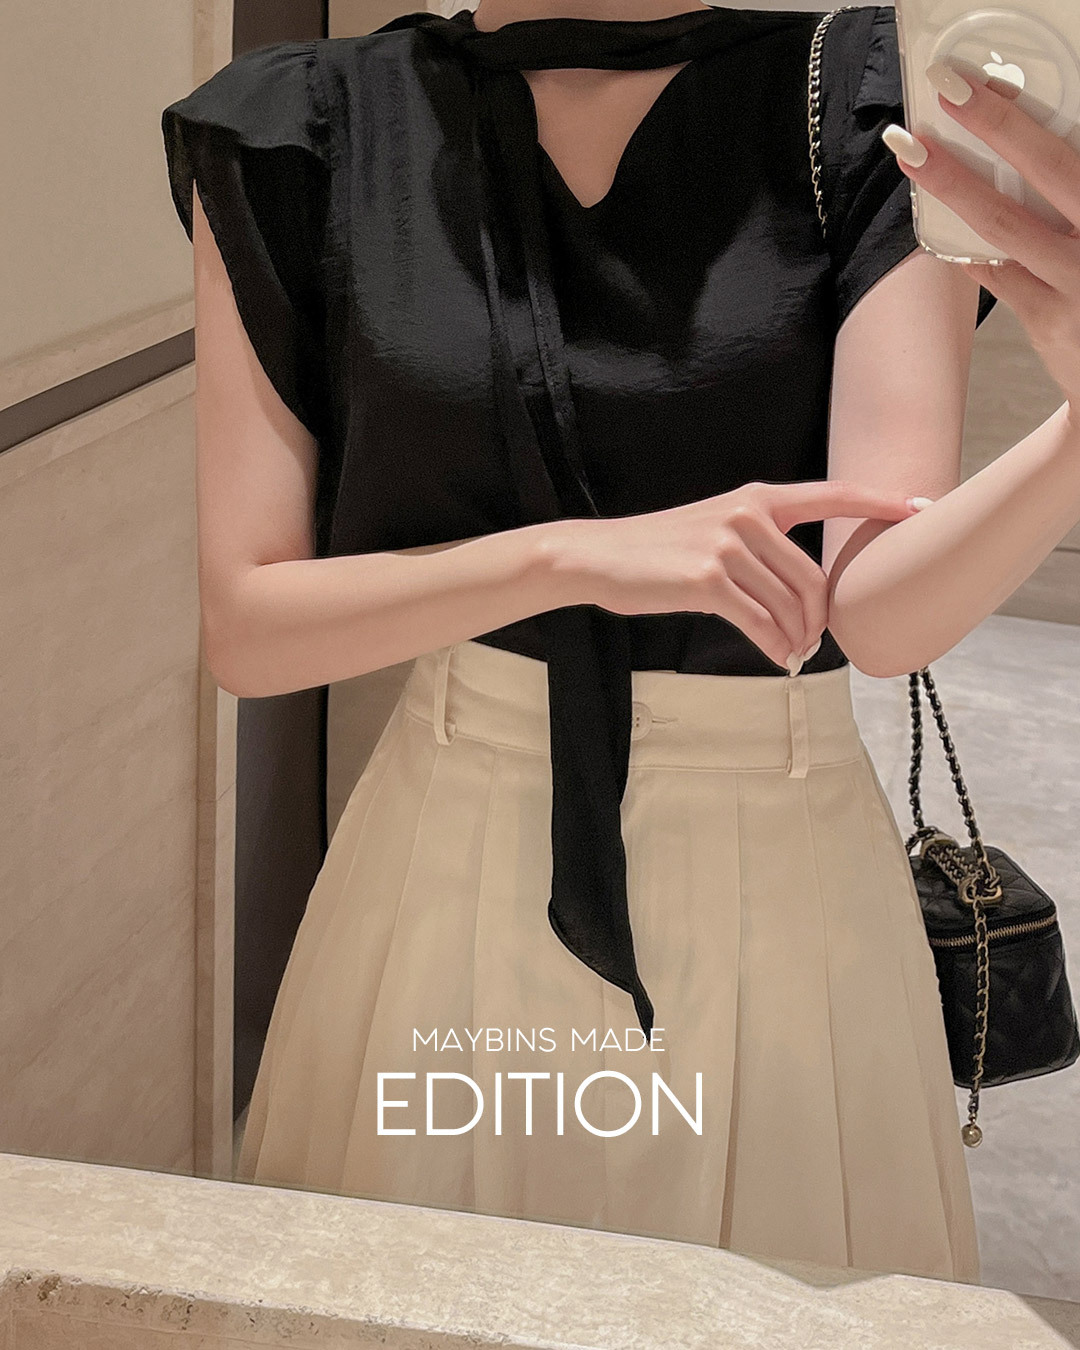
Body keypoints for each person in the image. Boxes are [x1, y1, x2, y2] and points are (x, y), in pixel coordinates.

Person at [160, 0, 1080, 1285]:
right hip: (445, 860)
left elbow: (876, 613)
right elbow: (251, 629)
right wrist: (578, 556)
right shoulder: (303, 126)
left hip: (781, 880)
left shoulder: (864, 100)